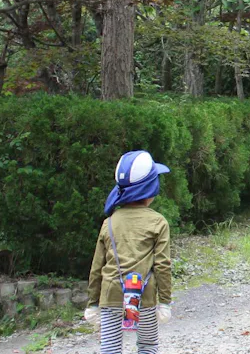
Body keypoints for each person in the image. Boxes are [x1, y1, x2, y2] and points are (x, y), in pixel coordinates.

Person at [85, 151, 173, 354]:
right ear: (151, 188)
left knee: (110, 348)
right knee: (147, 346)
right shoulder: (158, 222)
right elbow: (162, 265)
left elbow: (97, 266)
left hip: (111, 294)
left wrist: (92, 303)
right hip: (145, 295)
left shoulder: (109, 222)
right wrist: (165, 301)